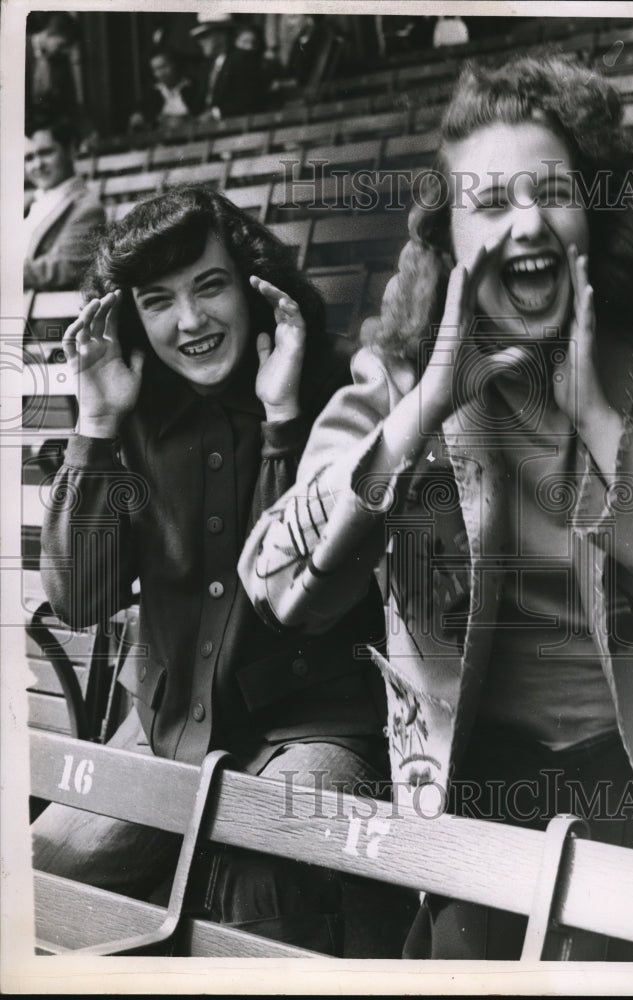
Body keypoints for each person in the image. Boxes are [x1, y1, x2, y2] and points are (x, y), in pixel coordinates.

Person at [239, 56, 633, 960]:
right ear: (449, 240)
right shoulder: (397, 377)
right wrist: (425, 405)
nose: (526, 222)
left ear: (595, 210)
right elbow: (275, 581)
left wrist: (599, 421)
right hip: (472, 789)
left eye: (552, 189)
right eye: (489, 201)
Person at [37, 185, 412, 956]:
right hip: (167, 731)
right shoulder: (133, 410)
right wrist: (98, 425)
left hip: (314, 726)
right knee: (42, 876)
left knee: (259, 879)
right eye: (158, 301)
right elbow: (78, 600)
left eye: (210, 286)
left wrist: (281, 423)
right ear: (128, 317)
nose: (191, 322)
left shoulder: (337, 387)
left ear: (251, 283)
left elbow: (291, 599)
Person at [24, 116, 106, 290]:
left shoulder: (87, 208)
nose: (37, 165)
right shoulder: (26, 202)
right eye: (29, 158)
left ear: (71, 151)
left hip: (45, 308)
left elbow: (65, 267)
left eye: (46, 153)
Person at [191, 12, 266, 121]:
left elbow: (248, 100)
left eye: (205, 36)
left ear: (222, 35)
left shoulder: (242, 60)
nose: (201, 42)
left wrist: (216, 114)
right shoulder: (206, 68)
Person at [128, 48, 203, 132]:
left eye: (163, 67)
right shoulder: (152, 94)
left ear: (175, 64)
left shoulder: (194, 88)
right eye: (155, 70)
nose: (160, 73)